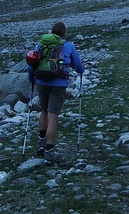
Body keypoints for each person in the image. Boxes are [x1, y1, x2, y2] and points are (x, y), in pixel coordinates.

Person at [27, 21, 85, 163]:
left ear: (52, 32)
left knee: (44, 111)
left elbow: (32, 63)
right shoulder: (68, 46)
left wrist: (32, 79)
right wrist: (81, 71)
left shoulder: (41, 45)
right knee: (53, 115)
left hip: (41, 82)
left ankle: (40, 144)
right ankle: (49, 151)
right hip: (58, 84)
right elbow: (78, 65)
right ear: (64, 33)